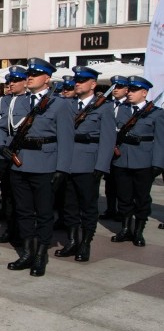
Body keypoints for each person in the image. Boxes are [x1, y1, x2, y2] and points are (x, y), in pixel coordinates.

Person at [3, 58, 74, 277]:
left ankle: (41, 254)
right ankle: (27, 252)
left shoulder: (59, 104)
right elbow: (6, 130)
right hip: (19, 164)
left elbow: (66, 138)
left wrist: (61, 169)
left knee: (43, 213)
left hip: (45, 164)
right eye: (29, 74)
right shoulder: (18, 102)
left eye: (35, 74)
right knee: (23, 212)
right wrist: (2, 147)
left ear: (47, 78)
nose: (30, 77)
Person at [54, 65, 116, 262]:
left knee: (88, 206)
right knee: (69, 205)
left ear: (93, 84)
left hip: (88, 163)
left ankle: (85, 242)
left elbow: (107, 140)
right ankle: (72, 241)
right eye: (76, 81)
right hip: (67, 162)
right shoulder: (66, 105)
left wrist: (101, 166)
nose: (77, 84)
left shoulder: (104, 107)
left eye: (81, 81)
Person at [110, 76, 163, 246]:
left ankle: (138, 231)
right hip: (121, 160)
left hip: (144, 161)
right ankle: (125, 229)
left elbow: (161, 141)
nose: (129, 93)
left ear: (144, 93)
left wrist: (157, 163)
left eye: (133, 90)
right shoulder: (121, 109)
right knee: (124, 197)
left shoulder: (156, 113)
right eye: (129, 90)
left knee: (141, 199)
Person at [0, 65, 29, 246]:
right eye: (9, 81)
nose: (11, 84)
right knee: (7, 194)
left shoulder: (31, 101)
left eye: (15, 81)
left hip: (21, 156)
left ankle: (23, 232)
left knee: (21, 198)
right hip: (3, 155)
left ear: (25, 82)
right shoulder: (4, 101)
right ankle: (10, 228)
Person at [100, 75, 130, 221]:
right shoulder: (106, 105)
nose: (115, 90)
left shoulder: (130, 106)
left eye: (119, 87)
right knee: (109, 183)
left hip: (122, 150)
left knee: (122, 184)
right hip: (108, 150)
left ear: (126, 89)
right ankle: (110, 208)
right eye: (113, 87)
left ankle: (123, 212)